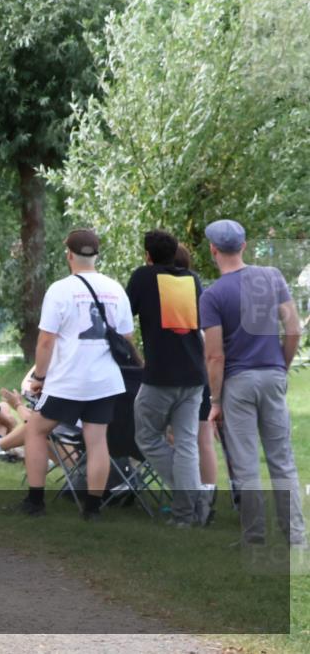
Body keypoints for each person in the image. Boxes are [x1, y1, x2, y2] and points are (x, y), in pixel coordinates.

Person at [199, 219, 305, 546]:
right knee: (282, 459)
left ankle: (254, 536)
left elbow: (215, 356)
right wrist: (280, 366)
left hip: (238, 383)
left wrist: (215, 402)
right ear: (243, 246)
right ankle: (297, 539)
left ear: (213, 249)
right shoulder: (272, 278)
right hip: (272, 375)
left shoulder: (212, 295)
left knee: (245, 463)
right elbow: (294, 329)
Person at [19, 229, 137, 520]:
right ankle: (93, 509)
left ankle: (35, 501)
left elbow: (46, 341)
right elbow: (127, 338)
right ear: (96, 255)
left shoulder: (60, 289)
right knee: (97, 440)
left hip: (68, 379)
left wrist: (39, 378)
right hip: (104, 379)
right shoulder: (115, 288)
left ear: (68, 254)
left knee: (36, 429)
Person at [126, 230, 209, 526]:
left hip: (161, 374)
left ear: (147, 255)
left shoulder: (143, 277)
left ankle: (191, 500)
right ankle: (188, 512)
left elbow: (125, 315)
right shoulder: (191, 279)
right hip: (194, 373)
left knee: (146, 436)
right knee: (186, 443)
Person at [174, 244, 218, 492]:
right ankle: (208, 491)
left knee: (192, 437)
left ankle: (192, 488)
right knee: (204, 438)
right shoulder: (198, 299)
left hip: (186, 378)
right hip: (202, 378)